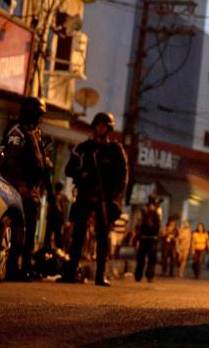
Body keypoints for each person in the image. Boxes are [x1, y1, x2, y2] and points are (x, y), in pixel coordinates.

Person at [61, 112, 128, 287]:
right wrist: (81, 174)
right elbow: (68, 170)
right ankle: (71, 271)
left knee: (102, 236)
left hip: (104, 198)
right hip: (84, 194)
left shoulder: (115, 150)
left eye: (104, 125)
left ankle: (100, 275)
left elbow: (122, 176)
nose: (100, 128)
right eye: (98, 125)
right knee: (78, 234)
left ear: (109, 128)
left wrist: (113, 196)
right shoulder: (84, 148)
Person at [0, 96, 51, 280]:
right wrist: (20, 184)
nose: (39, 118)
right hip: (18, 187)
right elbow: (11, 158)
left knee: (29, 231)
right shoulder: (17, 130)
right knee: (18, 231)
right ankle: (12, 267)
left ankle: (25, 268)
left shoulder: (35, 133)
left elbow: (38, 161)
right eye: (37, 114)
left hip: (32, 190)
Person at [134, 195, 162, 282]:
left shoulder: (143, 209)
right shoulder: (158, 209)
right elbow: (159, 223)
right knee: (152, 258)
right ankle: (150, 276)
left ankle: (138, 275)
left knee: (141, 258)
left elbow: (138, 223)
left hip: (143, 237)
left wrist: (137, 236)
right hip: (153, 238)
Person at [44, 181, 69, 251]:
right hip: (56, 219)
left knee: (51, 236)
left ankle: (50, 249)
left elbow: (49, 207)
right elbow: (64, 210)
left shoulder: (57, 196)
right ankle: (55, 250)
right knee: (55, 236)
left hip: (54, 219)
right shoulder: (62, 197)